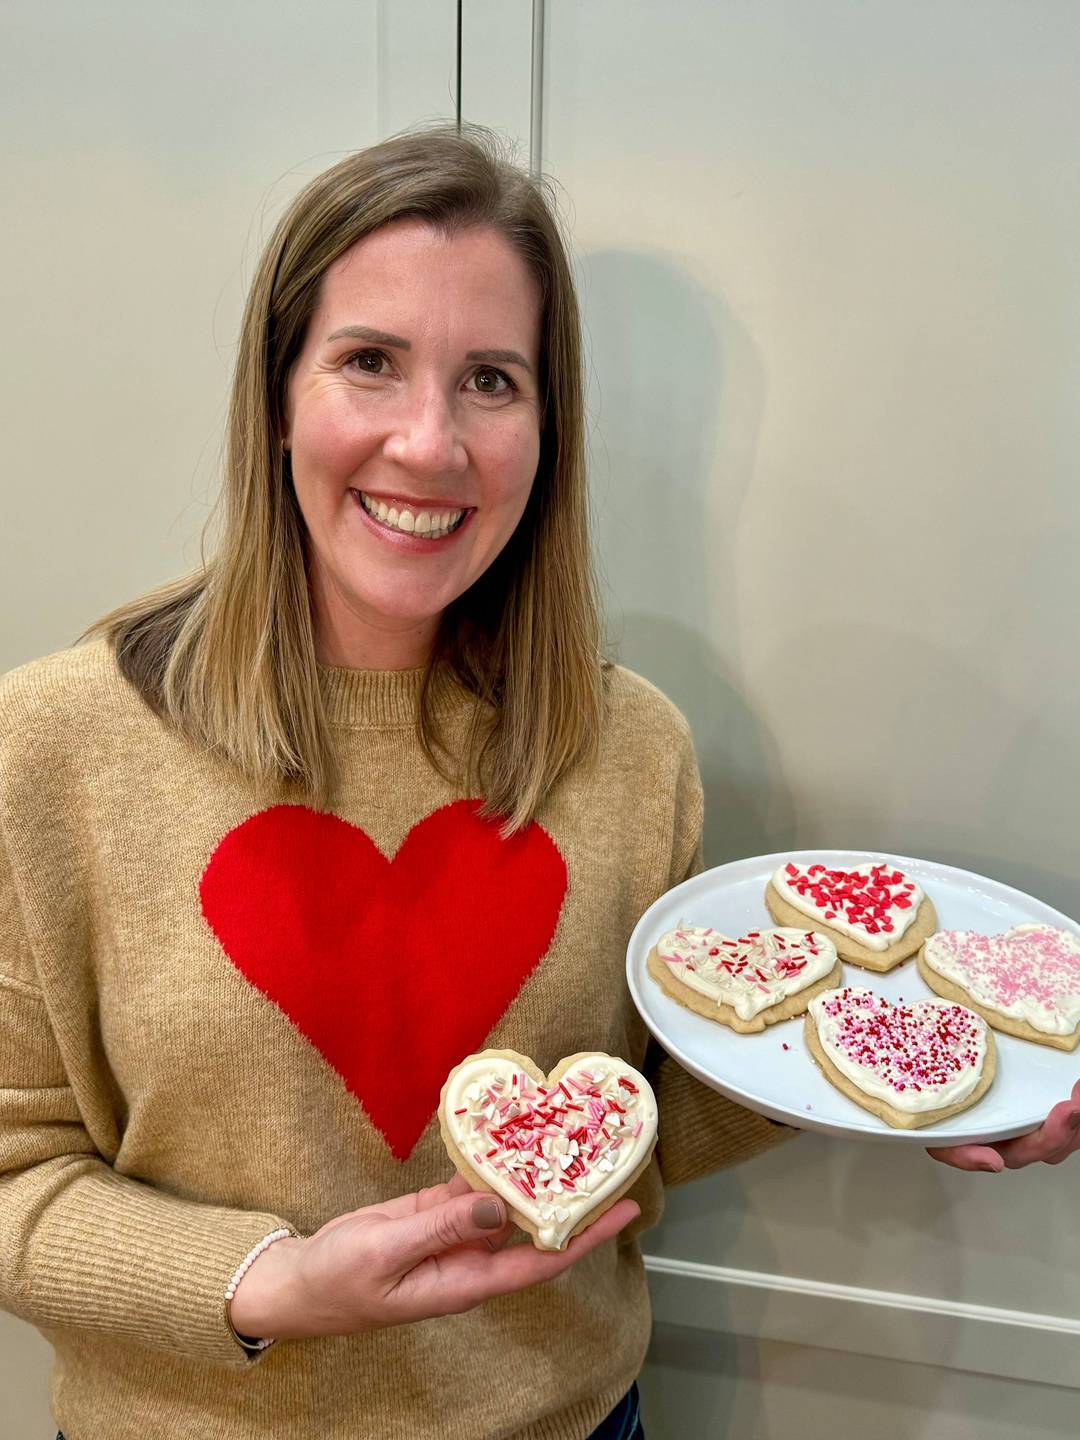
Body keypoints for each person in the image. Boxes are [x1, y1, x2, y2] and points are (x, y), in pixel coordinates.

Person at [0, 125, 1076, 1440]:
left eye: (491, 380)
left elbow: (642, 1125)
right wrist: (265, 1284)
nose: (429, 441)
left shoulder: (630, 748)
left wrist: (895, 1066)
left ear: (547, 428)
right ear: (278, 396)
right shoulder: (56, 743)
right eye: (371, 363)